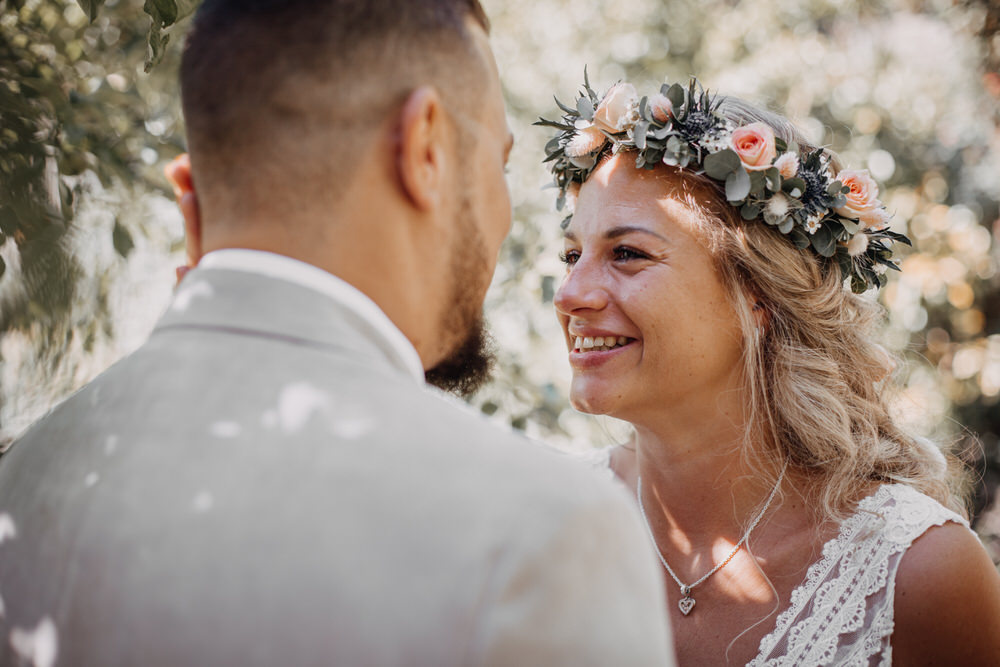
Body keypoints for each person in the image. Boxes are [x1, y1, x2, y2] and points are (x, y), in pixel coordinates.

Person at [0, 3, 678, 665]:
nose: (503, 217)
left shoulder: (21, 480)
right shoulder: (543, 534)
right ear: (425, 148)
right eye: (496, 166)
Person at [538, 75, 1000, 664]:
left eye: (627, 253)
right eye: (572, 255)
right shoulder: (539, 522)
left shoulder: (920, 576)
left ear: (759, 294)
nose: (569, 294)